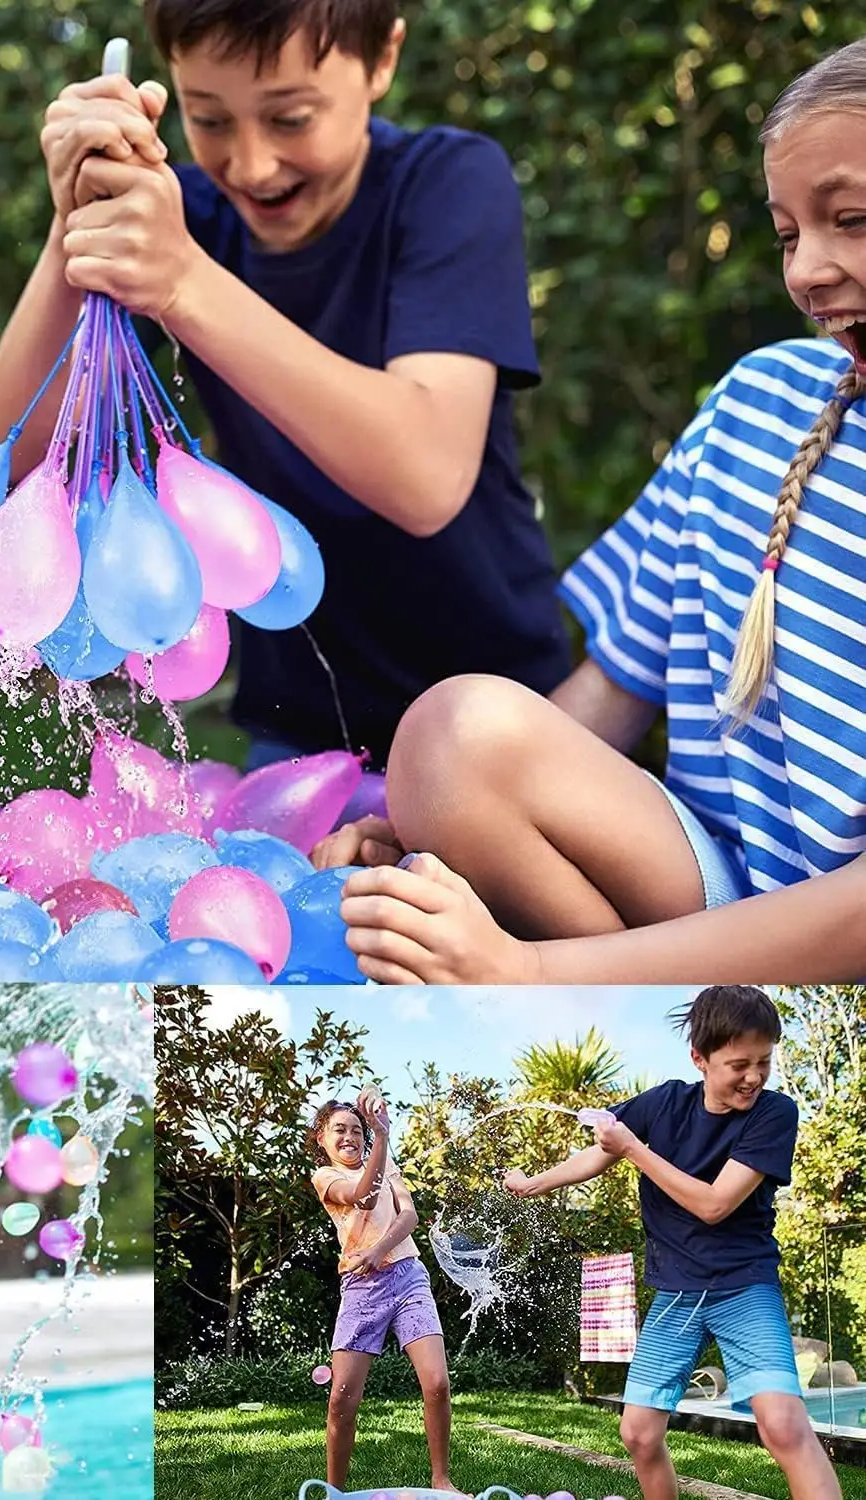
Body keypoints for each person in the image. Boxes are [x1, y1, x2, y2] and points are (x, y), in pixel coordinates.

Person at [323, 38, 866, 983]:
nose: (808, 271)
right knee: (453, 740)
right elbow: (616, 687)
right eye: (786, 234)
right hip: (707, 896)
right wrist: (431, 826)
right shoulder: (756, 403)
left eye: (851, 220)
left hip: (833, 965)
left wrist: (528, 975)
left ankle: (597, 1006)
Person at [0, 0, 569, 796]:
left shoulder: (448, 185)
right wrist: (72, 227)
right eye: (209, 118)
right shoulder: (186, 221)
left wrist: (185, 283)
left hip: (501, 729)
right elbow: (17, 465)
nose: (252, 165)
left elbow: (426, 477)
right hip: (294, 743)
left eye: (290, 117)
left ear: (382, 59)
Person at [505, 986, 839, 1500]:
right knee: (638, 1433)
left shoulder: (773, 1114)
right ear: (700, 1059)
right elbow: (600, 1150)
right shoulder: (664, 1103)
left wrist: (633, 1149)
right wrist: (535, 1183)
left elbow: (713, 1205)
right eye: (739, 1064)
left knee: (784, 1425)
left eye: (764, 1062)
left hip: (743, 1287)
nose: (754, 1076)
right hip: (677, 1294)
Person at [309, 1089, 456, 1492]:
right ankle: (335, 1490)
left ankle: (441, 1480)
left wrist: (378, 1249)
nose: (350, 1137)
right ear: (321, 1137)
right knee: (341, 1398)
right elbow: (363, 1196)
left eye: (357, 1130)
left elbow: (408, 1215)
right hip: (361, 1289)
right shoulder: (326, 1176)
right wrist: (382, 1139)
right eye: (340, 1129)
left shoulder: (383, 1156)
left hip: (409, 1277)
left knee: (437, 1383)